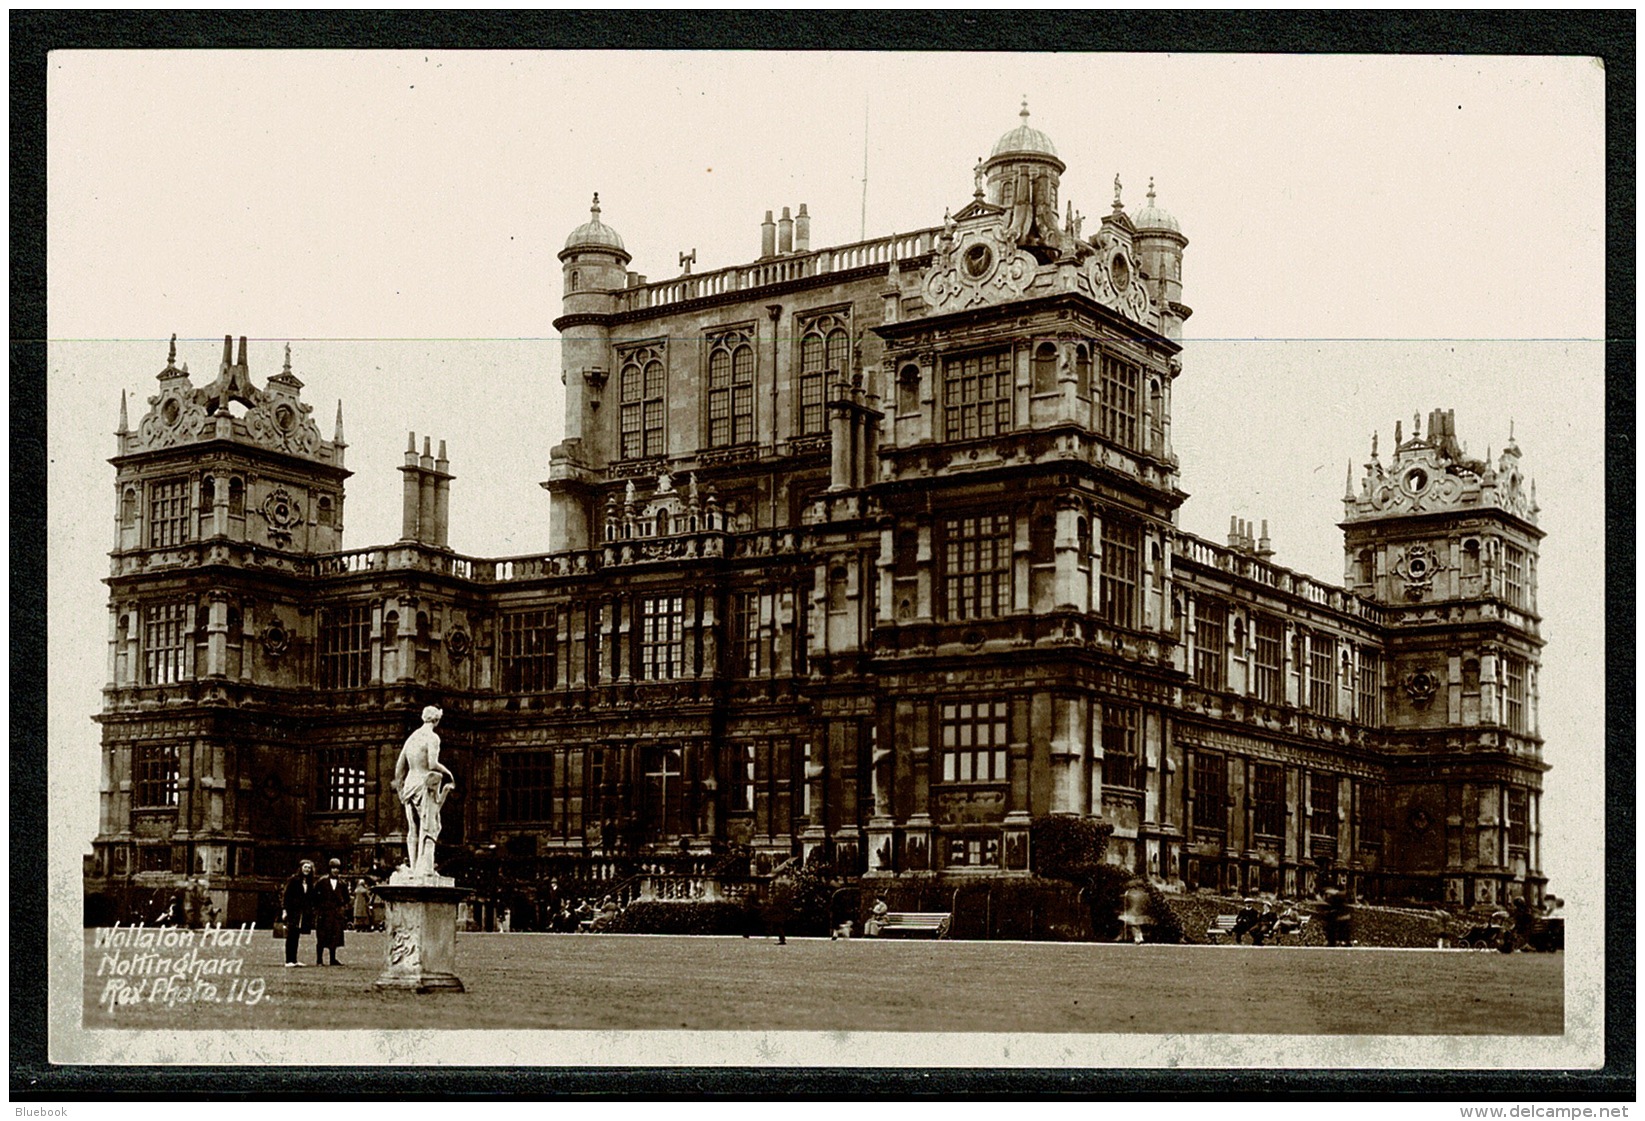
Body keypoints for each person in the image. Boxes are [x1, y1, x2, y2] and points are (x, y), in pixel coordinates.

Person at [394, 706, 456, 878]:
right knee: (430, 826)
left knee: (412, 828)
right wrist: (449, 773)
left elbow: (399, 768)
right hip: (423, 783)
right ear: (436, 720)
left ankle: (414, 868)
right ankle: (424, 868)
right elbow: (432, 763)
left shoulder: (411, 738)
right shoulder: (432, 737)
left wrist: (400, 790)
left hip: (409, 784)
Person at [281, 859, 317, 968]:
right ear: (301, 868)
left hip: (302, 912)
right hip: (293, 911)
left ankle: (294, 959)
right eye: (305, 867)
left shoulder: (309, 882)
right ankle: (289, 960)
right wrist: (284, 910)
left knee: (296, 935)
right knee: (291, 935)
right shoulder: (294, 880)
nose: (307, 869)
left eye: (309, 868)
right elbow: (286, 896)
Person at [314, 858, 349, 965]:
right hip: (324, 913)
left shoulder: (342, 883)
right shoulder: (322, 881)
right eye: (333, 868)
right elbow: (315, 896)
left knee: (334, 936)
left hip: (336, 913)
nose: (335, 871)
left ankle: (332, 959)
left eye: (337, 868)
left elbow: (346, 898)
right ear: (329, 869)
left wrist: (341, 906)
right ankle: (319, 959)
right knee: (321, 937)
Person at [1119, 879, 1153, 944]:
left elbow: (1126, 901)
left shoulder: (1129, 893)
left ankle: (1137, 938)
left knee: (1133, 925)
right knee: (1136, 925)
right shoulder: (1143, 893)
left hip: (1132, 912)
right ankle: (1140, 937)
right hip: (1139, 912)